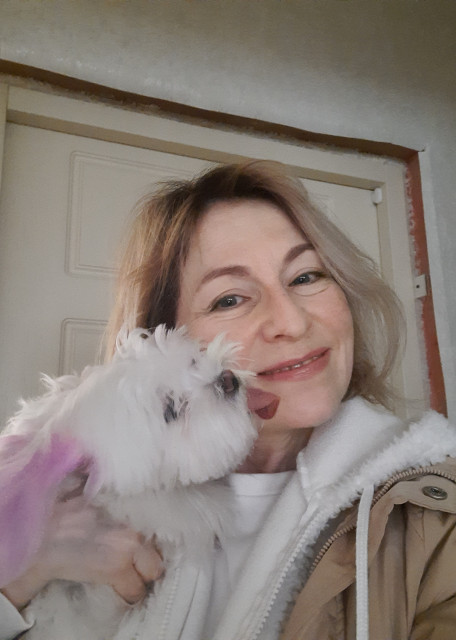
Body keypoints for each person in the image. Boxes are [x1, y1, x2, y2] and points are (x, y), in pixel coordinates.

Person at [1, 160, 456, 640]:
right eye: (229, 299)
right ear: (163, 337)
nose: (292, 322)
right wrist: (18, 577)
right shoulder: (74, 504)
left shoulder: (435, 521)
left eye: (306, 276)